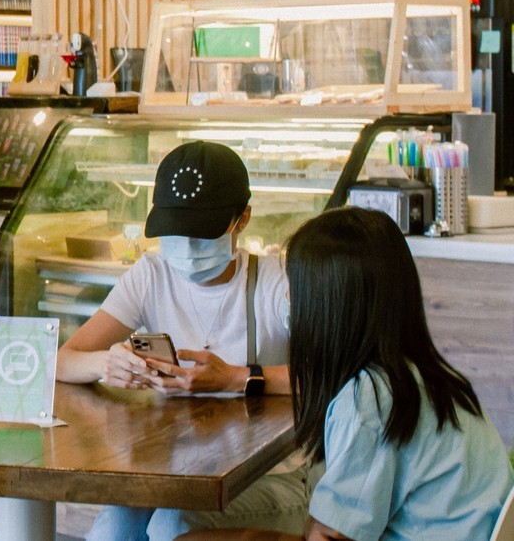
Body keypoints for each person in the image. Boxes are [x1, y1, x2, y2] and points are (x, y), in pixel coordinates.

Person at [180, 208, 514, 541]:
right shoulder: (432, 378)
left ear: (328, 303)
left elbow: (330, 536)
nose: (287, 299)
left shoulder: (369, 398)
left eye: (295, 287)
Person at [55, 141, 307, 540]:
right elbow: (63, 360)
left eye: (202, 234)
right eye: (174, 234)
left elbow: (334, 376)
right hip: (171, 472)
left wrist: (238, 378)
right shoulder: (151, 275)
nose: (187, 249)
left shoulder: (276, 283)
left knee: (173, 525)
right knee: (114, 528)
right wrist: (107, 362)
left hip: (269, 475)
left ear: (243, 220)